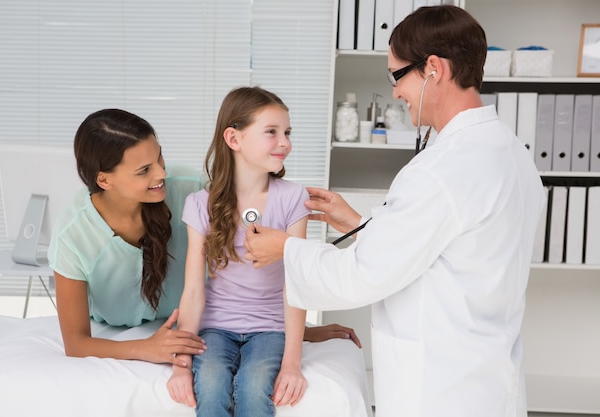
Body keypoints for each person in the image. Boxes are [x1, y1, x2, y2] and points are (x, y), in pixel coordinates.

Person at [244, 5, 545, 417]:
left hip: (441, 388)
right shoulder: (511, 153)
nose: (395, 92)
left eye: (397, 75)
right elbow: (446, 250)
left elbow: (364, 276)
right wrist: (355, 222)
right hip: (487, 376)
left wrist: (286, 251)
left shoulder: (444, 169)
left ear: (433, 69)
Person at [49, 108, 360, 366]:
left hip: (208, 320)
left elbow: (243, 266)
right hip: (115, 326)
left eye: (160, 159)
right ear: (104, 179)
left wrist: (298, 330)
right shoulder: (73, 235)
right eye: (144, 170)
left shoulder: (191, 190)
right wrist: (145, 349)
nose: (160, 174)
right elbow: (76, 343)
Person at [166, 86, 313, 416]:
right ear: (234, 139)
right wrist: (181, 360)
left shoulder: (292, 199)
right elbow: (192, 290)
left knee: (255, 382)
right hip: (216, 326)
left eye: (287, 132)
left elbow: (296, 285)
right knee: (213, 379)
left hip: (271, 327)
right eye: (271, 132)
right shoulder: (200, 205)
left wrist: (292, 363)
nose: (285, 142)